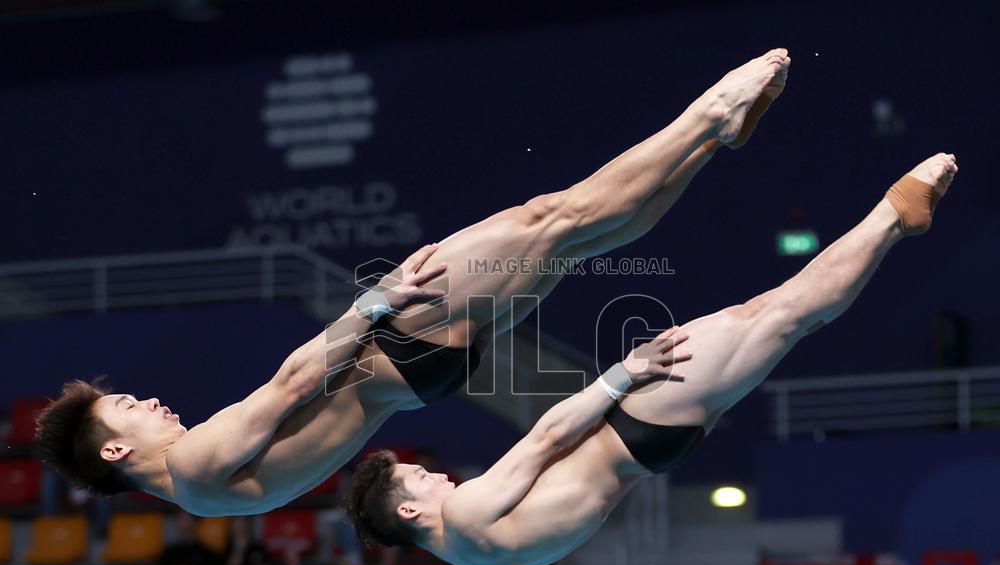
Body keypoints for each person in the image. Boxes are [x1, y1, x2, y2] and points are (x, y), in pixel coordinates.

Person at [34, 49, 792, 516]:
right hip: (394, 343)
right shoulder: (195, 466)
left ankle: (710, 143)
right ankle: (707, 112)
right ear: (114, 454)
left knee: (575, 240)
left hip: (415, 375)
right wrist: (374, 302)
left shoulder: (209, 498)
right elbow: (295, 378)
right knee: (550, 217)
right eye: (127, 408)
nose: (147, 400)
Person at [345, 154, 959, 565]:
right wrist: (627, 372)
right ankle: (893, 214)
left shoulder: (474, 556)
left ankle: (888, 217)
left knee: (783, 319)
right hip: (635, 420)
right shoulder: (465, 514)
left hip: (652, 449)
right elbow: (547, 434)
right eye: (417, 478)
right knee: (777, 314)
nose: (434, 476)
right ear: (408, 510)